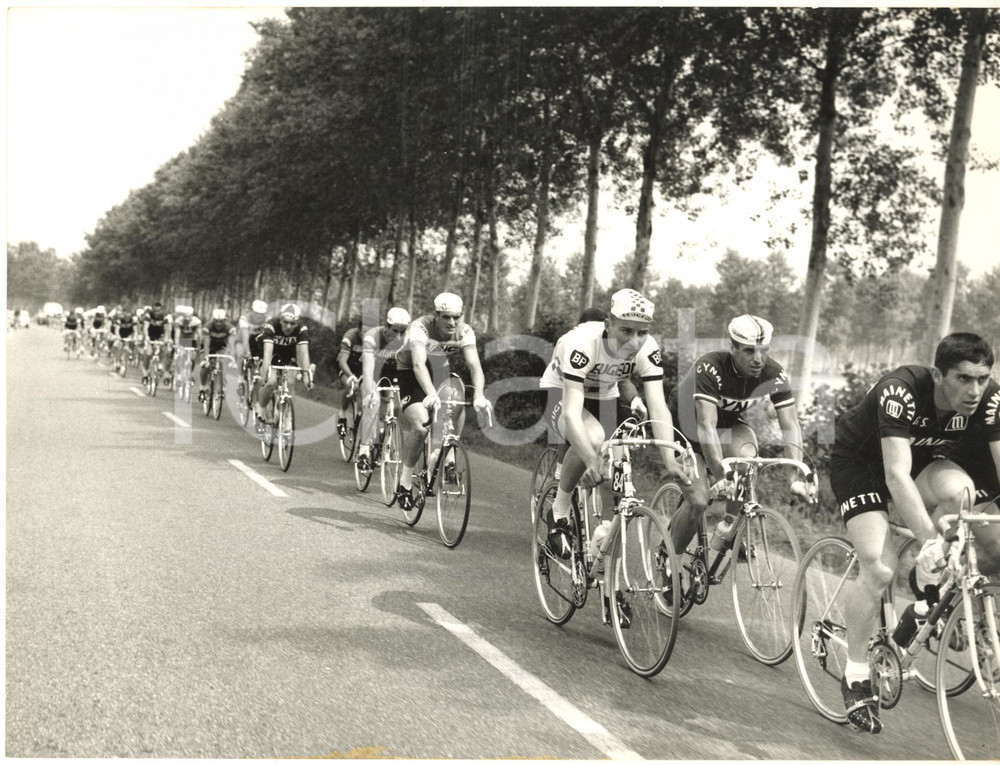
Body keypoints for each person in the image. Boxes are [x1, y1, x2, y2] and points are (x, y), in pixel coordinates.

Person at [831, 332, 1000, 734]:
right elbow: (895, 474)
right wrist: (928, 540)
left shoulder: (991, 399)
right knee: (879, 567)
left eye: (982, 378)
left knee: (962, 496)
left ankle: (928, 590)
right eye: (963, 379)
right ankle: (855, 674)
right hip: (863, 465)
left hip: (920, 461)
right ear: (939, 375)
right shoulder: (902, 389)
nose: (974, 390)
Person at [539, 288, 690, 560]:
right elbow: (572, 413)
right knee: (593, 439)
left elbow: (658, 405)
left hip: (604, 393)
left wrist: (669, 458)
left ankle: (604, 545)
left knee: (617, 462)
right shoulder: (582, 343)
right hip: (560, 390)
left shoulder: (648, 348)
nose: (634, 341)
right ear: (608, 324)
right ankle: (559, 511)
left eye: (642, 332)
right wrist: (589, 458)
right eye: (626, 331)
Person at [666, 314, 812, 563]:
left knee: (747, 460)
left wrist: (794, 476)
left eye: (763, 351)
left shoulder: (773, 373)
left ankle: (728, 527)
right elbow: (706, 426)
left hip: (726, 424)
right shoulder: (710, 367)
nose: (758, 359)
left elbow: (790, 424)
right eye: (749, 351)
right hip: (689, 425)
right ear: (732, 348)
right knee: (699, 502)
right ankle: (670, 560)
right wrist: (721, 476)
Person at [392, 292, 492, 510]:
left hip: (439, 370)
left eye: (456, 317)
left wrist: (479, 395)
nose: (452, 322)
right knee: (421, 428)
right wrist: (430, 393)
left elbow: (475, 366)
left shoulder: (464, 331)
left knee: (458, 397)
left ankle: (446, 455)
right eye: (446, 317)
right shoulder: (421, 327)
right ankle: (404, 484)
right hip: (411, 372)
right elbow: (418, 364)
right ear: (436, 315)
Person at [356, 306, 411, 474]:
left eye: (403, 331)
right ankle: (364, 450)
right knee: (373, 403)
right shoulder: (372, 336)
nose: (399, 336)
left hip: (393, 374)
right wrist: (370, 393)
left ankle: (385, 440)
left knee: (397, 405)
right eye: (395, 331)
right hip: (373, 373)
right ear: (386, 326)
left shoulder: (408, 340)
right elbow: (368, 370)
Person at [256, 303, 313, 428]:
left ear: (297, 322)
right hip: (271, 352)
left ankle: (286, 416)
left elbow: (304, 352)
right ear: (280, 319)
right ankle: (261, 408)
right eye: (285, 322)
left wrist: (306, 375)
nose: (288, 326)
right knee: (271, 381)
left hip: (288, 354)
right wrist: (265, 373)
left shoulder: (302, 329)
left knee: (291, 382)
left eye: (292, 323)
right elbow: (268, 352)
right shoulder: (271, 325)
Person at [198, 308, 236, 402]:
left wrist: (232, 357)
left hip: (221, 347)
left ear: (225, 320)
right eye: (216, 321)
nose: (218, 324)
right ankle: (203, 386)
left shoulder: (230, 328)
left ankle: (221, 387)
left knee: (222, 363)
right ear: (213, 320)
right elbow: (206, 343)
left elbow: (231, 343)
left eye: (221, 321)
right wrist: (206, 357)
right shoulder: (207, 327)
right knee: (206, 366)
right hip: (209, 347)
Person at [336, 317, 365, 439]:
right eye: (364, 332)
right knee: (350, 387)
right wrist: (351, 376)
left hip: (362, 368)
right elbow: (342, 361)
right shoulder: (350, 336)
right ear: (359, 329)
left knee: (367, 392)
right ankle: (342, 414)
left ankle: (360, 416)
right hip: (347, 367)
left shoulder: (375, 338)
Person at [141, 302, 172, 385]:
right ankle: (145, 372)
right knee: (149, 353)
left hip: (160, 335)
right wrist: (146, 337)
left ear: (161, 310)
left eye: (158, 311)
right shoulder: (148, 316)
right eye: (155, 311)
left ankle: (160, 364)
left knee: (164, 349)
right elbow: (145, 328)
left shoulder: (164, 317)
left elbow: (167, 329)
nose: (157, 313)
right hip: (150, 335)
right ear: (152, 310)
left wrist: (166, 339)